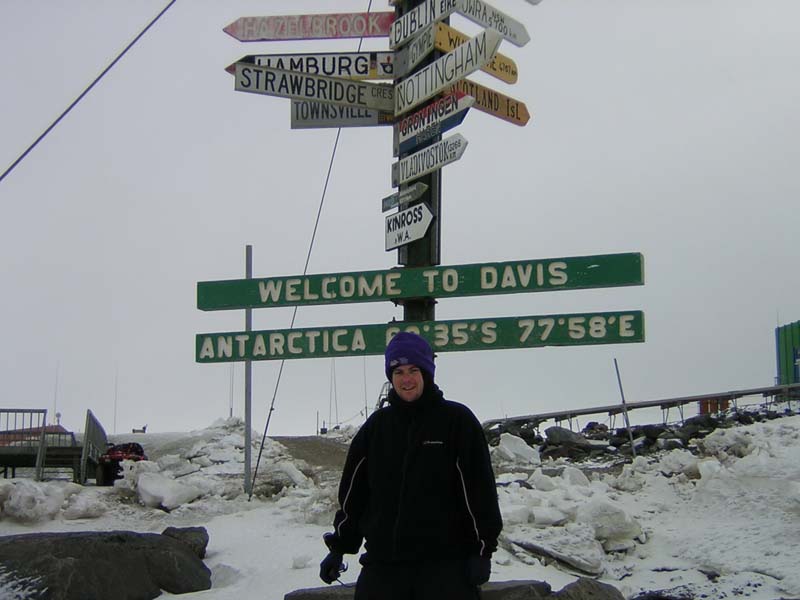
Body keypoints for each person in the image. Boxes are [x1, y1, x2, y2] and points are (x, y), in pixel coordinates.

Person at [319, 331, 502, 599]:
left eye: (414, 370)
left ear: (427, 373)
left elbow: (479, 492)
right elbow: (354, 495)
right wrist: (339, 547)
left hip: (445, 567)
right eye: (398, 372)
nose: (406, 379)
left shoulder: (457, 421)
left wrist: (482, 551)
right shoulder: (376, 427)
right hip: (384, 566)